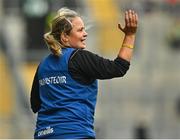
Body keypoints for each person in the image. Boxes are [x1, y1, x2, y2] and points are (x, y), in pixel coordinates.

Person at [30, 7, 138, 139]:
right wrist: (130, 35)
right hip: (75, 134)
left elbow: (35, 105)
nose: (85, 34)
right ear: (64, 36)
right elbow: (118, 67)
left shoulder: (43, 65)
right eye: (80, 30)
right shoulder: (78, 58)